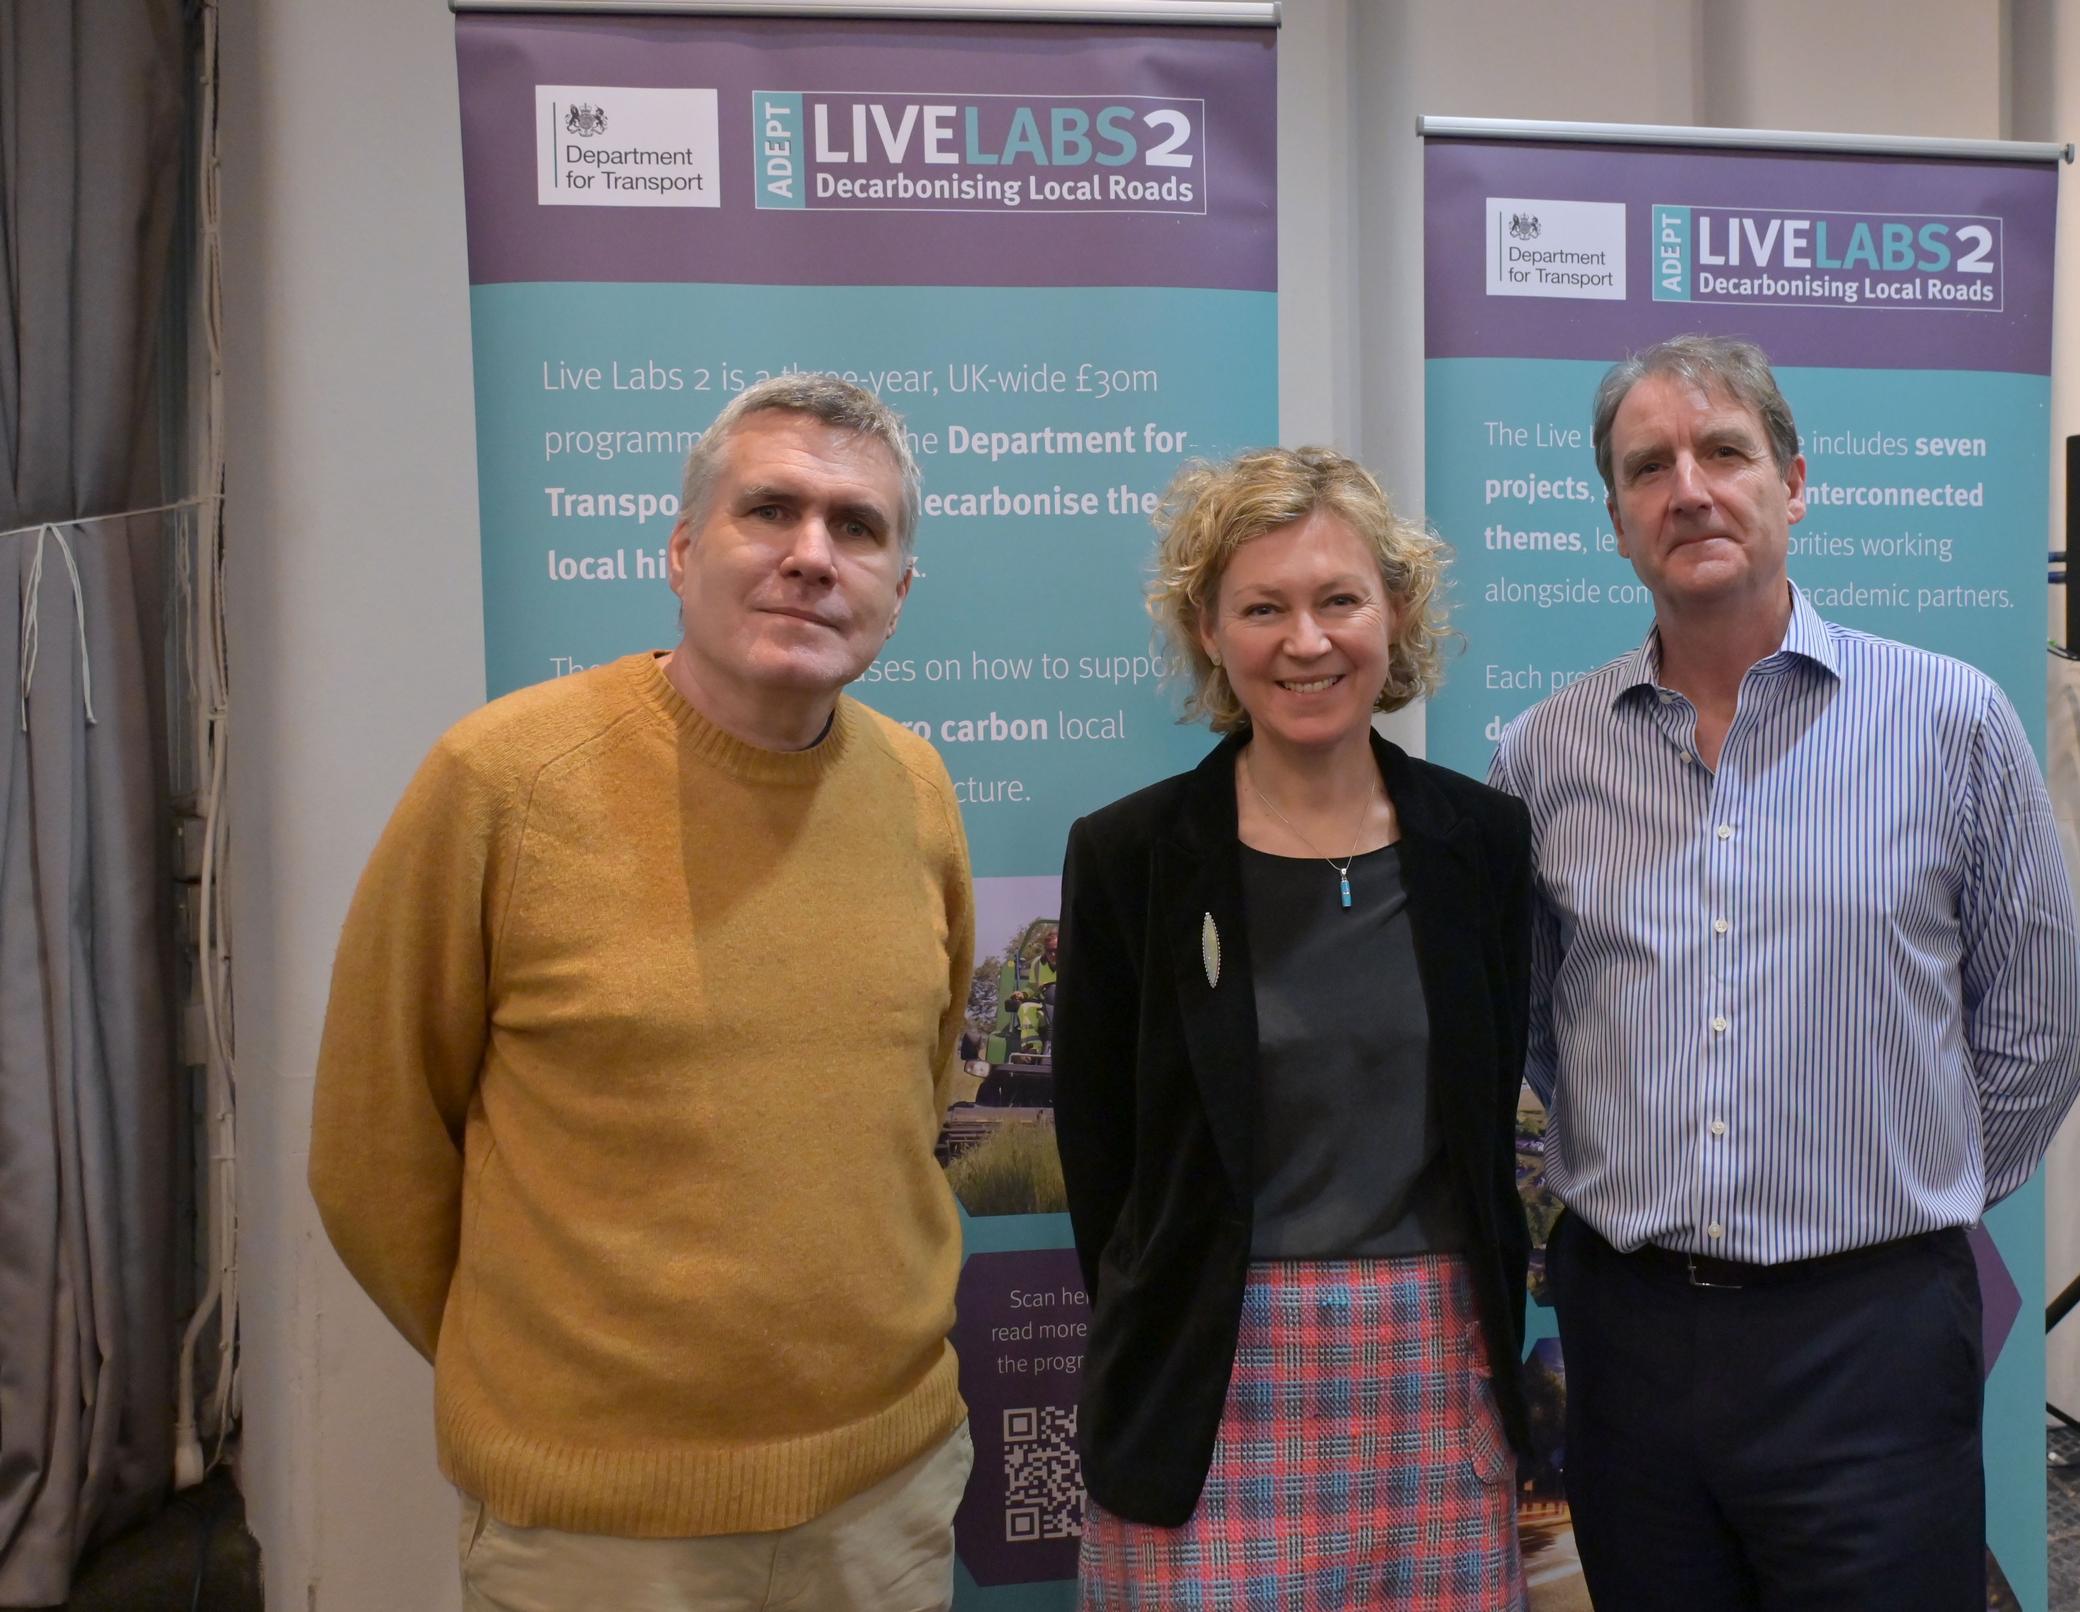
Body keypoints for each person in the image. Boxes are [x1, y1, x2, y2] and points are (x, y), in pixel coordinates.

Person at [309, 374, 975, 1612]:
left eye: (858, 527)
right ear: (681, 549)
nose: (812, 557)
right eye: (769, 510)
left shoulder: (917, 789)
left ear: (899, 591)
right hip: (601, 1532)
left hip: (884, 1498)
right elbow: (371, 1149)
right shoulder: (501, 781)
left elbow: (911, 1091)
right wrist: (548, 1379)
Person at [1487, 335, 2080, 1610]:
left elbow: (2038, 1032)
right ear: (1615, 519)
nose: (1689, 489)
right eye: (1649, 467)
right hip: (1632, 1336)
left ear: (1795, 482)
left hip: (1870, 1335)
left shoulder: (1949, 720)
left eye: (1724, 453)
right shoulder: (1544, 758)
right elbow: (1547, 1028)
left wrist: (1907, 1191)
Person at [1054, 447, 1535, 1608]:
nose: (1305, 641)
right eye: (1261, 607)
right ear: (1209, 632)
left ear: (1397, 611)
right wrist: (1178, 1320)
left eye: (1339, 600)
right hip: (1208, 1377)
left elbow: (1486, 1109)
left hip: (1437, 1368)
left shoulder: (1484, 844)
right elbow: (1101, 1161)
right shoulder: (1130, 857)